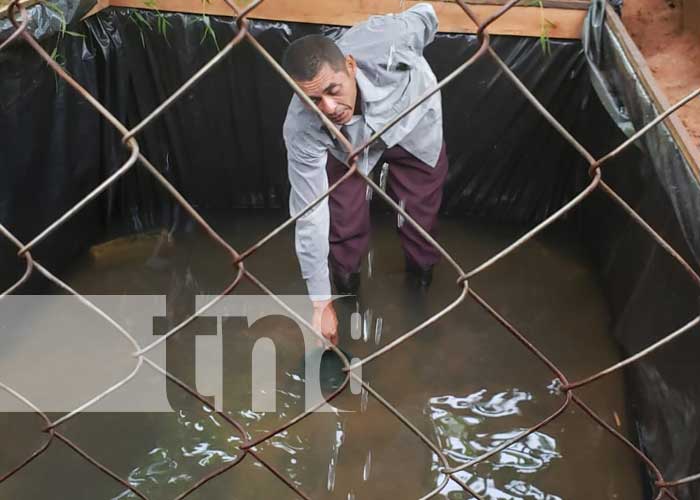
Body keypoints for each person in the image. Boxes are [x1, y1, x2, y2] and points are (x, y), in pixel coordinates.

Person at [282, 3, 448, 346]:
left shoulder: (393, 38)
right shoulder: (301, 126)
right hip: (348, 147)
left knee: (419, 215)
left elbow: (427, 14)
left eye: (333, 90)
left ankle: (419, 293)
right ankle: (347, 292)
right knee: (340, 220)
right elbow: (310, 213)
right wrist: (320, 303)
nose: (328, 109)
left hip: (412, 123)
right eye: (313, 100)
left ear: (350, 66)